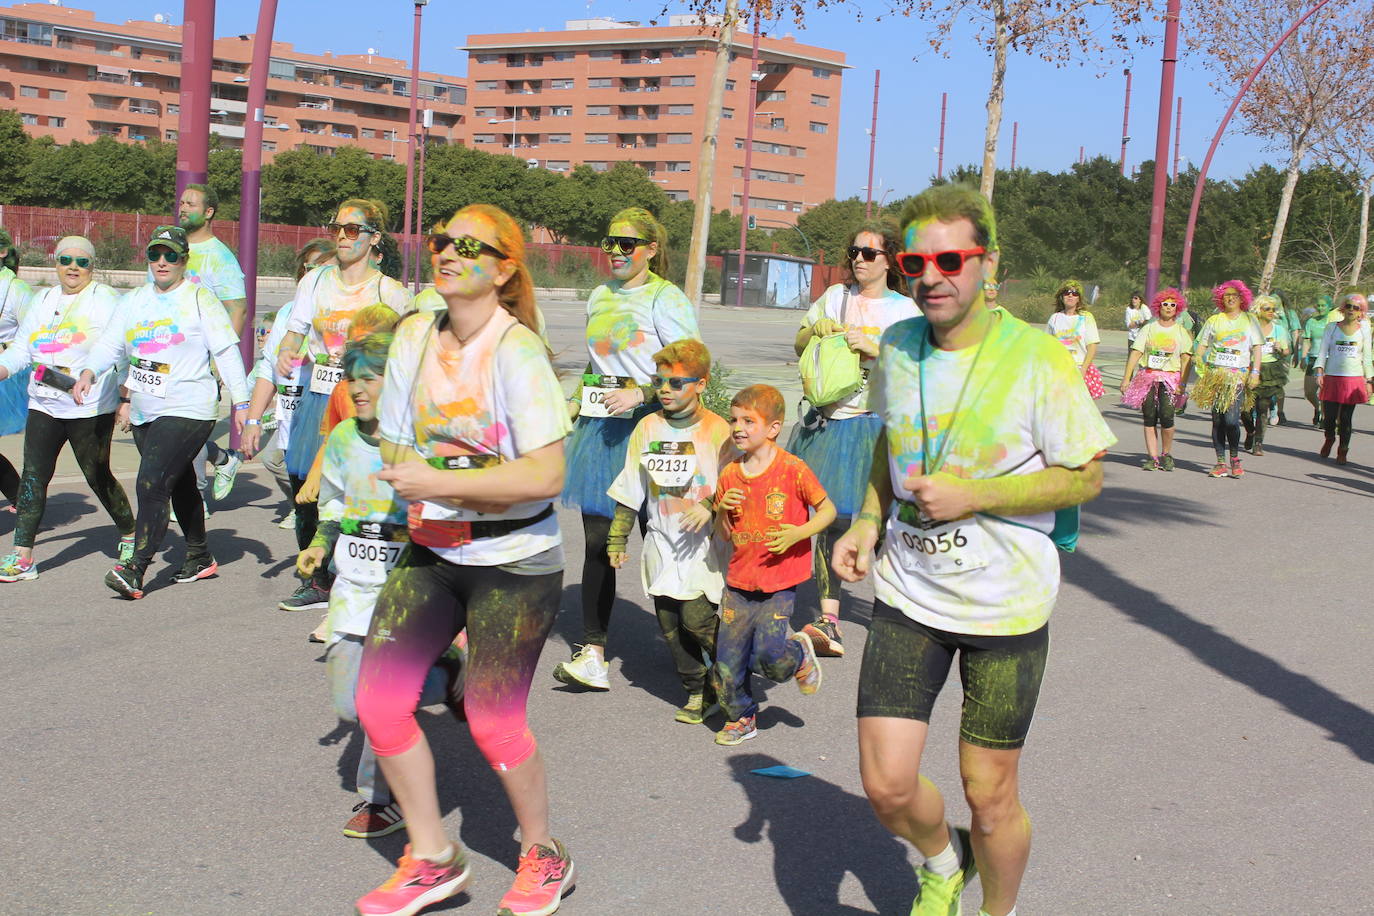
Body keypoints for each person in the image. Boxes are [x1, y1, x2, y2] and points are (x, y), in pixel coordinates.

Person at [832, 183, 1114, 916]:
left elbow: (1087, 475)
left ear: (990, 264)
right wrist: (867, 519)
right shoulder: (896, 344)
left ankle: (999, 910)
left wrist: (977, 495)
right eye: (913, 260)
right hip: (908, 595)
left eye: (951, 258)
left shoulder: (1037, 356)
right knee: (888, 786)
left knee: (990, 799)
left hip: (1005, 609)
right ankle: (942, 859)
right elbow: (891, 441)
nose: (931, 276)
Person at [353, 204, 574, 916]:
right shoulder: (415, 335)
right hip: (432, 550)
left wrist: (442, 481)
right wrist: (411, 474)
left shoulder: (517, 352)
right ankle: (432, 856)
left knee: (490, 719)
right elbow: (390, 439)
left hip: (516, 561)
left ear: (505, 269)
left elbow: (545, 476)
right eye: (443, 240)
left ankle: (544, 852)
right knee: (378, 703)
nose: (447, 251)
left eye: (469, 246)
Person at [295, 332, 466, 841]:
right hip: (353, 588)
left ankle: (377, 799)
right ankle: (450, 676)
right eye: (353, 378)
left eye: (370, 377)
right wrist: (321, 546)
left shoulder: (422, 440)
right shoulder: (345, 438)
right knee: (350, 705)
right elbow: (334, 504)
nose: (359, 387)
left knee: (378, 702)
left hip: (407, 591)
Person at [554, 207, 700, 691]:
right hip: (601, 433)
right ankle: (592, 652)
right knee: (598, 544)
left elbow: (692, 365)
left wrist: (641, 392)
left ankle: (696, 652)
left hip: (655, 428)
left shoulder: (665, 297)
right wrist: (575, 401)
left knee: (665, 541)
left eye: (627, 244)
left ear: (651, 250)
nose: (615, 252)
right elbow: (597, 364)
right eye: (609, 242)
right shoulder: (599, 295)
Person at [72, 225, 249, 599]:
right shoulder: (135, 300)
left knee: (150, 481)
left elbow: (227, 353)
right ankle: (200, 556)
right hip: (146, 410)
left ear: (184, 260)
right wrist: (89, 371)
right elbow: (110, 344)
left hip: (190, 405)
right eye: (155, 254)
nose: (162, 262)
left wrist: (242, 402)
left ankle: (135, 568)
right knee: (179, 482)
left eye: (171, 255)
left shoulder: (200, 298)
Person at [268, 200, 412, 613]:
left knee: (359, 492)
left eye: (353, 230)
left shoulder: (390, 292)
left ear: (373, 238)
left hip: (368, 402)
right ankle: (317, 579)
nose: (343, 237)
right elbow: (293, 334)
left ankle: (367, 577)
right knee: (305, 489)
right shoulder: (314, 282)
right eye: (338, 229)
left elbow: (405, 349)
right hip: (320, 396)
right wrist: (285, 353)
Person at [787, 221, 917, 658]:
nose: (859, 260)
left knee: (877, 523)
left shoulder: (905, 311)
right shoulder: (835, 297)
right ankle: (829, 618)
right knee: (830, 520)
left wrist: (879, 346)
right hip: (828, 424)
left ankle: (892, 613)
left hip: (875, 425)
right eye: (854, 252)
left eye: (869, 253)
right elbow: (798, 342)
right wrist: (817, 330)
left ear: (889, 261)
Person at [606, 339, 732, 724]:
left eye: (676, 383)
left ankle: (732, 674)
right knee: (669, 624)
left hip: (704, 546)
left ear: (701, 384)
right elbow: (631, 487)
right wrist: (617, 538)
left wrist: (709, 507)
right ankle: (697, 691)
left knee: (697, 619)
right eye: (659, 382)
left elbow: (734, 485)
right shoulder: (647, 427)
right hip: (661, 541)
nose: (664, 390)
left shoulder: (718, 430)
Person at [0, 236, 135, 581]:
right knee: (33, 475)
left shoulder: (104, 300)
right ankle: (23, 556)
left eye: (82, 261)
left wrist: (125, 399)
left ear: (92, 266)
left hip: (88, 406)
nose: (73, 267)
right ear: (55, 263)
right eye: (65, 259)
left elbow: (122, 350)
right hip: (43, 401)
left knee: (97, 475)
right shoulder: (43, 299)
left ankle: (130, 532)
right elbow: (21, 351)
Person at [710, 384, 831, 746]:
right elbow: (724, 535)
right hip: (739, 581)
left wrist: (798, 534)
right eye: (734, 420)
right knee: (726, 663)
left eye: (749, 420)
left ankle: (798, 654)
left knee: (769, 659)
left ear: (774, 428)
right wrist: (720, 511)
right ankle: (742, 716)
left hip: (779, 581)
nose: (738, 428)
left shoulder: (793, 469)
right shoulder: (730, 474)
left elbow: (828, 511)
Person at [238, 239, 337, 531]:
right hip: (290, 421)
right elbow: (267, 369)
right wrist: (253, 419)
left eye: (325, 267)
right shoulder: (286, 314)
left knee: (330, 505)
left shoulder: (343, 314)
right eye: (311, 267)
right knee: (305, 506)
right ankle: (314, 569)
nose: (317, 274)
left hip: (327, 422)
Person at [1187, 280, 1263, 479]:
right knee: (1218, 420)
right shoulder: (1214, 320)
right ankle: (1220, 462)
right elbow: (1202, 344)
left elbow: (1257, 348)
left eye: (1234, 295)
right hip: (1216, 376)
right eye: (1226, 295)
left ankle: (1235, 457)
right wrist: (1199, 359)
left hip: (1237, 376)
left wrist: (1255, 372)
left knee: (1231, 420)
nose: (1230, 298)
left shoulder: (1249, 320)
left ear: (1242, 298)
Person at [1119, 287, 1192, 471]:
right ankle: (1152, 457)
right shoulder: (1149, 328)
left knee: (1167, 416)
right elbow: (1136, 353)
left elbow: (1186, 359)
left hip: (1170, 379)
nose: (1168, 307)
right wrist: (1126, 379)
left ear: (1177, 308)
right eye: (1165, 304)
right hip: (1148, 377)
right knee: (1149, 417)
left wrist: (1182, 384)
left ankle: (1166, 454)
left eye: (1172, 305)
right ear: (1159, 307)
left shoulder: (1181, 331)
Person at [0, 226, 37, 507]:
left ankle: (20, 495)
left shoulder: (16, 289)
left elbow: (32, 338)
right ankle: (19, 494)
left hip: (6, 375)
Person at [1313, 293, 1373, 465]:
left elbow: (1367, 357)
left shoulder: (1364, 329)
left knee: (1346, 419)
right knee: (1329, 418)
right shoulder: (1331, 327)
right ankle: (1329, 438)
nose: (1351, 310)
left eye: (1356, 308)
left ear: (1361, 312)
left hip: (1353, 379)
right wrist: (1319, 371)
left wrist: (1369, 381)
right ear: (1343, 308)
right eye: (1348, 306)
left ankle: (1343, 449)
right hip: (1332, 377)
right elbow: (1323, 351)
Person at [1242, 294, 1291, 456]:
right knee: (1245, 409)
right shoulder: (1249, 327)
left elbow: (1286, 351)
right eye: (1267, 309)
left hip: (1270, 370)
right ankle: (1250, 431)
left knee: (1263, 408)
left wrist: (1280, 348)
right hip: (1249, 369)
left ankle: (1258, 443)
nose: (1271, 312)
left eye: (1273, 309)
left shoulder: (1278, 329)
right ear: (1258, 310)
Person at [1045, 279, 1104, 398]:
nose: (1070, 295)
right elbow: (1047, 345)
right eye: (1067, 293)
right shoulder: (1055, 318)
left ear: (1079, 298)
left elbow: (1092, 346)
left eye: (1075, 293)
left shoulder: (1085, 317)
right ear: (1062, 297)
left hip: (1080, 367)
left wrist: (1084, 369)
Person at [1303, 297, 1333, 426]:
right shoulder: (1311, 321)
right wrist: (1303, 357)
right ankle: (1319, 409)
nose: (1320, 308)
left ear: (1329, 307)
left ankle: (1325, 419)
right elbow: (1306, 340)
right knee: (1309, 391)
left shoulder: (1333, 322)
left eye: (1323, 306)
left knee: (1324, 390)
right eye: (1318, 306)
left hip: (1329, 359)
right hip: (1313, 358)